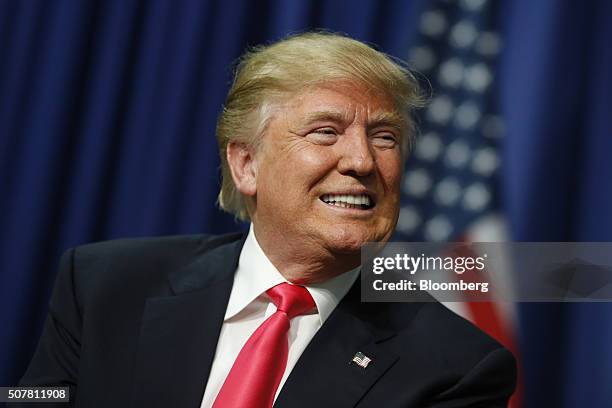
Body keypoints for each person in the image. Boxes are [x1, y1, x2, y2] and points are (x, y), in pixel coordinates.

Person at [18, 32, 516, 407]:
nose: (363, 161)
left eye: (384, 137)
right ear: (246, 164)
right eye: (326, 132)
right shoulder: (107, 284)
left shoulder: (457, 367)